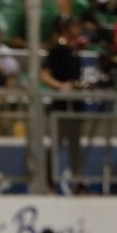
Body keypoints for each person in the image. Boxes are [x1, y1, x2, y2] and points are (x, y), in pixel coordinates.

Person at [41, 16, 85, 193]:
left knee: (75, 145)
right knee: (56, 143)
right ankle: (48, 182)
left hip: (75, 103)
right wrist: (60, 86)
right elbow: (44, 74)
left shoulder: (75, 50)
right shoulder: (57, 49)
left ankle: (78, 181)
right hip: (61, 104)